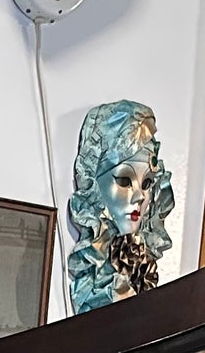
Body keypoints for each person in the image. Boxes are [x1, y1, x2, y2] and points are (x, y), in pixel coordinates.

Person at [66, 102, 176, 313]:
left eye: (147, 184)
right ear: (93, 182)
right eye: (125, 181)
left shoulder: (142, 265)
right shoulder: (93, 278)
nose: (140, 197)